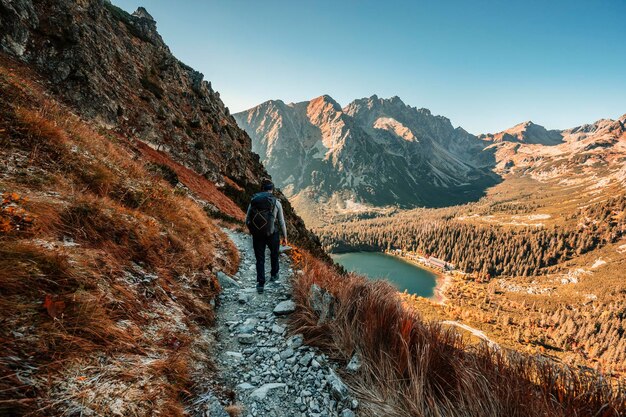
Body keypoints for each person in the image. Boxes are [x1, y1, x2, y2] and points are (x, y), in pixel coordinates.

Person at [245, 180, 288, 293]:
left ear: (262, 188)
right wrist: (285, 237)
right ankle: (274, 275)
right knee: (274, 254)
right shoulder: (276, 203)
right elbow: (282, 222)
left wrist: (253, 231)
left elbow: (247, 219)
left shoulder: (253, 201)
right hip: (272, 233)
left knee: (260, 259)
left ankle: (260, 284)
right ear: (272, 190)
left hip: (257, 234)